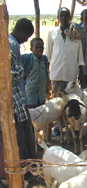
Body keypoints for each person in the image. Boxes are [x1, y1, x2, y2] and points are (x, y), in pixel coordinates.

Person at [8, 18, 37, 159]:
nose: (26, 41)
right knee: (22, 131)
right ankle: (27, 161)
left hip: (17, 96)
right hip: (17, 97)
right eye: (27, 37)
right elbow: (15, 74)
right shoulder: (11, 44)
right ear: (22, 32)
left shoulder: (9, 42)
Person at [46, 7, 85, 97]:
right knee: (57, 103)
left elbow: (80, 56)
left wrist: (81, 74)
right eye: (61, 16)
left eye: (66, 16)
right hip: (56, 74)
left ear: (70, 18)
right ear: (58, 17)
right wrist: (47, 75)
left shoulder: (76, 33)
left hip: (71, 74)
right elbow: (48, 54)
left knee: (70, 102)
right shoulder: (52, 33)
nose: (64, 18)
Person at [21, 38, 48, 108]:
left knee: (41, 116)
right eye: (37, 47)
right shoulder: (27, 60)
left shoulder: (45, 60)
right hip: (30, 97)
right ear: (31, 49)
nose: (39, 50)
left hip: (41, 97)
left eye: (41, 47)